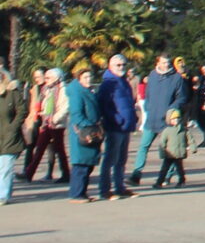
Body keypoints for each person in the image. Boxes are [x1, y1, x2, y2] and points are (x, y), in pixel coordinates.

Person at [130, 53, 183, 186]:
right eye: (164, 62)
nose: (166, 65)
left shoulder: (177, 78)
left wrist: (172, 110)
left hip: (167, 120)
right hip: (151, 118)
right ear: (157, 63)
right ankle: (136, 174)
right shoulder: (152, 75)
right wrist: (148, 107)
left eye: (168, 63)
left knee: (169, 150)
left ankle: (167, 176)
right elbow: (148, 94)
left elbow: (181, 97)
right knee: (143, 146)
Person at [97, 52, 137, 200]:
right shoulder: (108, 83)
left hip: (126, 127)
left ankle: (120, 188)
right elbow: (103, 106)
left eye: (123, 65)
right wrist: (117, 119)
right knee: (110, 159)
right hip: (115, 127)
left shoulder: (124, 81)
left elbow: (128, 103)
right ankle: (104, 190)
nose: (121, 67)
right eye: (118, 65)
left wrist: (133, 117)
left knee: (121, 159)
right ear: (110, 66)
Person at [24, 67, 69, 186]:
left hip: (57, 125)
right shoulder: (47, 89)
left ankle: (66, 174)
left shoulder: (63, 89)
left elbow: (65, 107)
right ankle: (29, 173)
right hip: (46, 123)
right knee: (40, 148)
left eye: (49, 77)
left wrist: (55, 119)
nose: (46, 79)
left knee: (59, 150)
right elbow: (45, 105)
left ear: (57, 78)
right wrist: (43, 114)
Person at [66, 66, 101, 203]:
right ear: (78, 79)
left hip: (91, 132)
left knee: (88, 165)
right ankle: (76, 194)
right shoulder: (77, 93)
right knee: (80, 165)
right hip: (83, 134)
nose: (89, 79)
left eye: (90, 77)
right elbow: (76, 114)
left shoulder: (88, 91)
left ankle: (82, 193)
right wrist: (90, 126)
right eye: (85, 77)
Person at [0, 66, 26, 203]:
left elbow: (22, 110)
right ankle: (5, 191)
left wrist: (13, 127)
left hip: (10, 136)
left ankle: (2, 196)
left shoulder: (12, 92)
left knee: (6, 167)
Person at [154, 107, 189, 188]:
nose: (176, 120)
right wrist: (162, 153)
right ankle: (159, 182)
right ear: (169, 120)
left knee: (179, 169)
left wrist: (193, 146)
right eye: (173, 119)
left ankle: (181, 180)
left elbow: (190, 138)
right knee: (164, 169)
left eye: (177, 118)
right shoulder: (167, 131)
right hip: (169, 154)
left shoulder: (183, 129)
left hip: (178, 153)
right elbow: (162, 143)